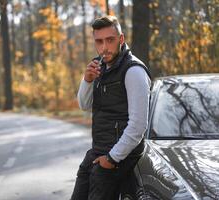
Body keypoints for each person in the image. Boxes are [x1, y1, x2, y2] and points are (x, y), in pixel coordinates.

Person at [70, 15, 151, 200]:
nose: (104, 47)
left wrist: (112, 159)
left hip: (120, 156)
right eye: (99, 41)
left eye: (110, 40)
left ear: (121, 39)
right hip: (98, 151)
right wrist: (87, 80)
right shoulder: (99, 67)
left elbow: (138, 125)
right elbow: (84, 105)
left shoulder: (133, 71)